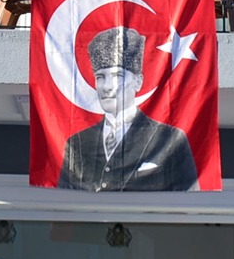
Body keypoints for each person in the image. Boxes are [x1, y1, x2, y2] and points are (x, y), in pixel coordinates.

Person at [57, 25, 198, 192]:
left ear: (138, 82)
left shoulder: (171, 139)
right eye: (100, 77)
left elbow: (189, 197)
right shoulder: (77, 143)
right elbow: (65, 197)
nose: (107, 87)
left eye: (117, 76)